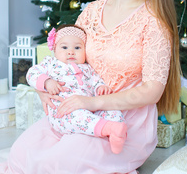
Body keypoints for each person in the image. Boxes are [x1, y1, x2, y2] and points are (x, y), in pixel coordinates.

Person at [0, 0, 181, 174]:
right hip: (79, 109)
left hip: (124, 120)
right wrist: (45, 89)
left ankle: (116, 166)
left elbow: (152, 91)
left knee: (62, 164)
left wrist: (93, 101)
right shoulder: (92, 11)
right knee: (21, 156)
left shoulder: (154, 22)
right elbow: (65, 60)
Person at [26, 24, 127, 154]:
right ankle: (107, 128)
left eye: (77, 47)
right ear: (55, 49)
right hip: (64, 110)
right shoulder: (51, 64)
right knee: (78, 117)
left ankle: (117, 134)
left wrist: (100, 88)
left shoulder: (87, 68)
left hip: (90, 106)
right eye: (64, 47)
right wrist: (46, 82)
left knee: (113, 111)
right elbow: (31, 73)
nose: (71, 52)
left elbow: (96, 81)